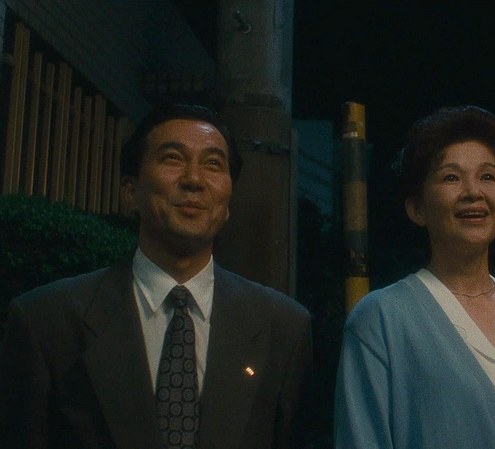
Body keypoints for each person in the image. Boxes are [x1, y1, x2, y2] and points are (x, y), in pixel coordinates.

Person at [0, 103, 312, 449]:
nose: (194, 180)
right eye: (173, 158)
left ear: (228, 203)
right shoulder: (47, 321)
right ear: (130, 191)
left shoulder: (283, 329)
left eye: (213, 164)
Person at [334, 106, 495, 449]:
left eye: (488, 176)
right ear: (417, 208)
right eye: (451, 178)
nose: (473, 192)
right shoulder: (381, 320)